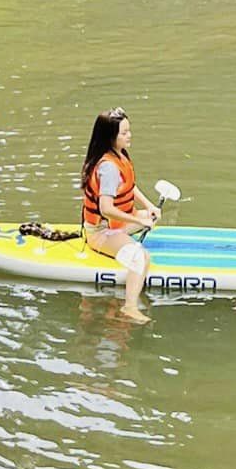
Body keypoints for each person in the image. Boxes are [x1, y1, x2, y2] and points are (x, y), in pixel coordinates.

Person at [81, 107, 160, 322]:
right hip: (101, 232)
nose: (129, 136)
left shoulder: (119, 156)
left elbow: (128, 186)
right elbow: (106, 208)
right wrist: (137, 219)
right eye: (123, 133)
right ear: (110, 138)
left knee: (151, 218)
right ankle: (129, 307)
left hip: (117, 224)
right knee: (140, 257)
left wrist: (148, 206)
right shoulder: (108, 168)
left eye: (129, 131)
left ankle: (138, 223)